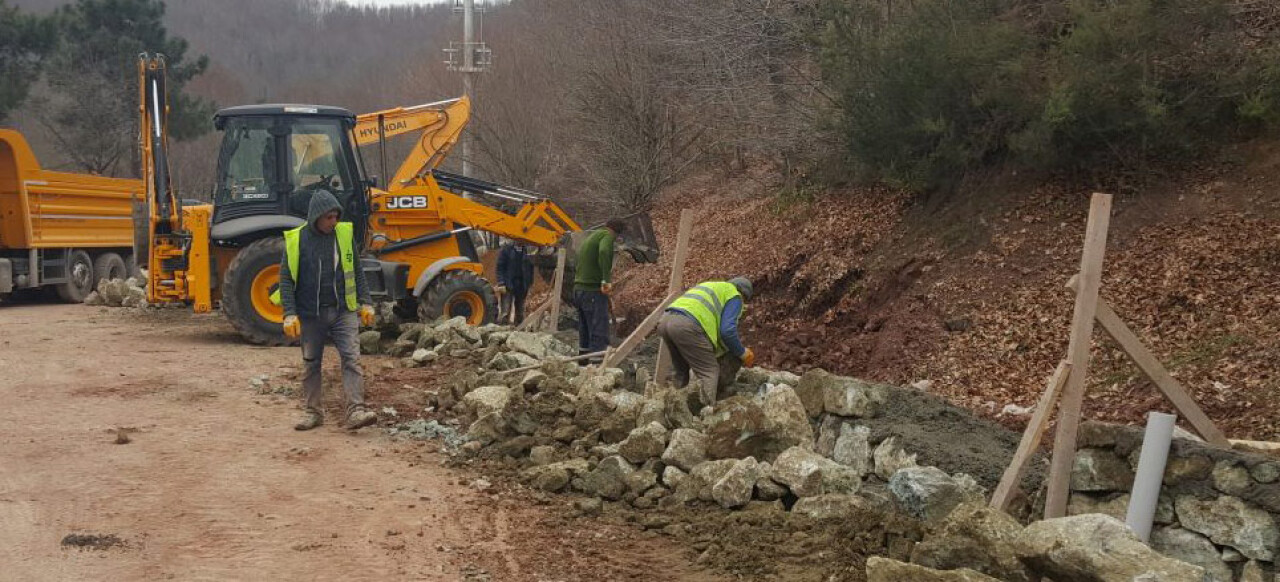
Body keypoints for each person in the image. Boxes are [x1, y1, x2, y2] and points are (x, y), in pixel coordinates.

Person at [278, 189, 378, 431]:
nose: (334, 222)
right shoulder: (297, 240)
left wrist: (366, 302)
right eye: (329, 218)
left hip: (343, 310)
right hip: (311, 314)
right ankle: (313, 412)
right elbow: (285, 279)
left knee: (352, 359)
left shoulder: (343, 236)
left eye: (336, 216)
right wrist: (289, 313)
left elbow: (357, 270)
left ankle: (356, 410)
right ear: (316, 217)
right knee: (311, 363)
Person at [656, 277, 756, 406]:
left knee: (681, 371)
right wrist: (742, 353)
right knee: (709, 371)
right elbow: (727, 331)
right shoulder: (735, 296)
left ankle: (673, 409)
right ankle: (707, 414)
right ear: (744, 295)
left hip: (665, 321)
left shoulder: (712, 286)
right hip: (686, 325)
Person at [573, 219, 628, 362]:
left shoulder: (592, 236)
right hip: (592, 290)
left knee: (585, 327)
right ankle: (598, 364)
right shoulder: (607, 237)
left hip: (579, 289)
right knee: (598, 327)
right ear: (616, 233)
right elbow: (604, 251)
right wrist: (606, 279)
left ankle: (583, 361)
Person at [495, 240, 534, 325]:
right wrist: (501, 283)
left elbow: (531, 269)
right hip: (508, 283)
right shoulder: (506, 250)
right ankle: (503, 330)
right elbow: (500, 267)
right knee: (505, 310)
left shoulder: (527, 251)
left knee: (520, 310)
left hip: (522, 284)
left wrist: (529, 283)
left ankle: (518, 329)